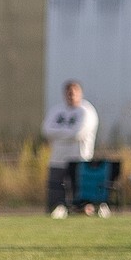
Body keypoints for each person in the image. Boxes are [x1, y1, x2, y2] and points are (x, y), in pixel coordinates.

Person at [41, 80, 98, 218]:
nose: (71, 95)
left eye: (74, 92)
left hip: (79, 158)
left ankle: (82, 209)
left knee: (78, 190)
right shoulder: (57, 110)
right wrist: (68, 132)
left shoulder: (86, 111)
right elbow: (46, 130)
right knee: (56, 189)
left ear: (80, 93)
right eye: (68, 92)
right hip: (57, 158)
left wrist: (58, 134)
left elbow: (78, 133)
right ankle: (57, 208)